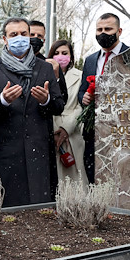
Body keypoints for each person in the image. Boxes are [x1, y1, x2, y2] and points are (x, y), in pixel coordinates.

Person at [0, 17, 64, 207]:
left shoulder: (45, 68)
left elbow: (59, 105)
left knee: (40, 208)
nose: (20, 38)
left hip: (38, 150)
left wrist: (46, 101)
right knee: (8, 211)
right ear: (4, 39)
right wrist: (3, 100)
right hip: (5, 153)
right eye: (14, 34)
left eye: (23, 34)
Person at [78, 13, 129, 184]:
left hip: (123, 131)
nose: (103, 33)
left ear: (119, 31)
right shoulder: (91, 60)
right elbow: (82, 91)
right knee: (94, 179)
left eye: (108, 29)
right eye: (99, 29)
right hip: (94, 132)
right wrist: (84, 98)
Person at [48, 40, 87, 187]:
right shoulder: (43, 74)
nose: (60, 57)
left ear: (71, 56)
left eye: (65, 53)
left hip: (72, 131)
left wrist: (66, 128)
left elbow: (80, 106)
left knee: (74, 175)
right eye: (56, 53)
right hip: (50, 130)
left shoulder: (80, 76)